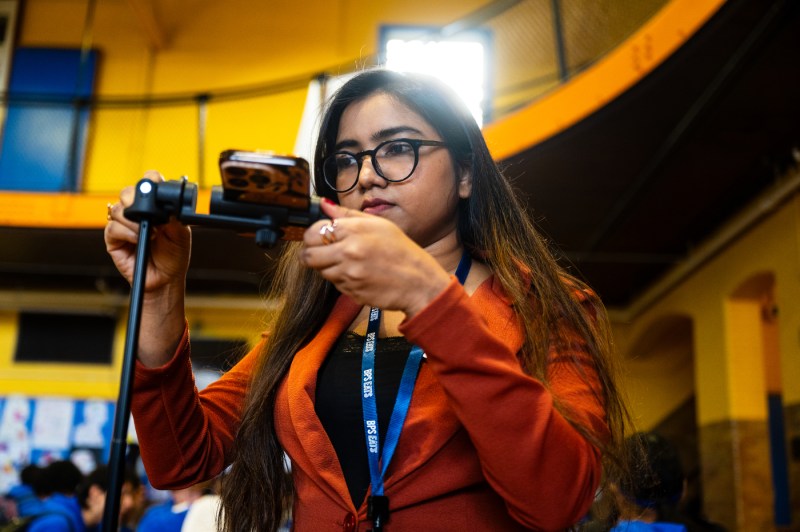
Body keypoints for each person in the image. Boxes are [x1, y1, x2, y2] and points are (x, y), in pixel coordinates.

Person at [105, 69, 630, 531]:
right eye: (346, 159)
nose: (369, 174)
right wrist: (158, 292)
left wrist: (428, 296)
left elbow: (559, 499)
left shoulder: (548, 308)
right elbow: (180, 459)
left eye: (398, 147)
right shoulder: (315, 322)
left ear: (467, 173)